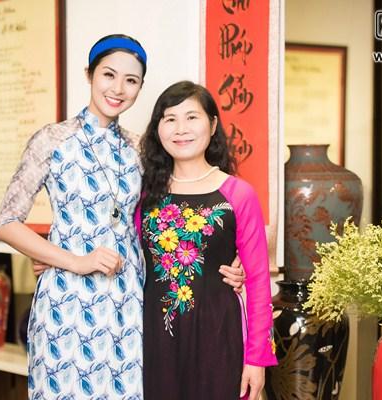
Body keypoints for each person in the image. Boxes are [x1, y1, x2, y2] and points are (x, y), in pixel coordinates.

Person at [0, 35, 244, 399]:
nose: (118, 89)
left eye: (131, 80)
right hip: (67, 299)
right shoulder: (52, 140)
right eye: (108, 75)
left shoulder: (140, 148)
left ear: (140, 87)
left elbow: (178, 211)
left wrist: (229, 258)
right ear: (89, 75)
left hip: (129, 300)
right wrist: (72, 260)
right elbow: (6, 222)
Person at [138, 81, 277, 400]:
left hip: (219, 335)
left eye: (192, 117)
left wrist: (256, 359)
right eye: (170, 119)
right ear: (158, 129)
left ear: (213, 125)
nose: (180, 129)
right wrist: (54, 260)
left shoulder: (238, 194)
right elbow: (118, 249)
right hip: (156, 339)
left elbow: (258, 281)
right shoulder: (145, 196)